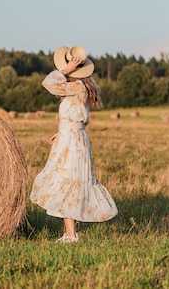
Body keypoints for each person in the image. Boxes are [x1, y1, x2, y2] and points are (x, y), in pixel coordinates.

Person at [30, 45, 118, 243]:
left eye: (70, 65)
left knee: (66, 181)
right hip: (70, 136)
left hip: (72, 140)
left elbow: (48, 83)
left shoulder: (77, 86)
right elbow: (74, 117)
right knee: (65, 181)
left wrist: (66, 70)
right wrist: (59, 132)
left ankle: (71, 235)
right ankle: (69, 234)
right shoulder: (81, 87)